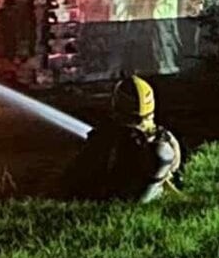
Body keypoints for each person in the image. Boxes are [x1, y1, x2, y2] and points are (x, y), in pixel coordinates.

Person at [57, 75, 181, 203]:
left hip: (116, 201)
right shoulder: (166, 139)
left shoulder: (106, 140)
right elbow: (174, 169)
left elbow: (74, 177)